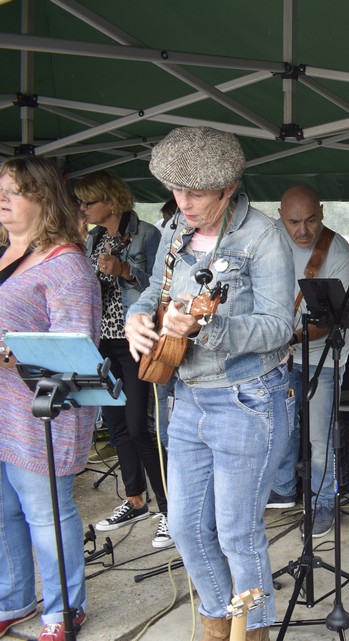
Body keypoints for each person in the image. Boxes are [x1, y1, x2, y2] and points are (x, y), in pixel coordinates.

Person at [125, 126, 294, 641]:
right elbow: (154, 289)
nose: (184, 203)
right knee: (185, 527)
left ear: (229, 188)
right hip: (186, 398)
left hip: (246, 399)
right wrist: (137, 316)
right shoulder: (175, 228)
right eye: (177, 190)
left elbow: (278, 326)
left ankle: (253, 631)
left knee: (238, 533)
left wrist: (207, 329)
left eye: (196, 193)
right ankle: (219, 624)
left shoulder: (263, 236)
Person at [0, 156, 101, 640]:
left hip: (42, 415)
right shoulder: (5, 254)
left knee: (47, 517)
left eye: (14, 191)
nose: (2, 199)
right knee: (3, 514)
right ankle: (13, 599)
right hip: (3, 412)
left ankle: (64, 611)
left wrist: (9, 354)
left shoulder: (67, 266)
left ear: (43, 198)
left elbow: (74, 352)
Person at [76, 170, 171, 548]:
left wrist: (125, 270)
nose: (83, 208)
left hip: (134, 342)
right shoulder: (93, 238)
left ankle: (169, 510)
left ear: (111, 201)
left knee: (138, 428)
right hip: (101, 342)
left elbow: (161, 287)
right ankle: (135, 500)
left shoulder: (147, 234)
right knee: (116, 428)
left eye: (88, 202)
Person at [267, 185, 349, 540]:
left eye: (311, 220)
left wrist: (288, 337)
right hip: (282, 355)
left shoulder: (339, 253)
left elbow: (330, 321)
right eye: (294, 222)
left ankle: (322, 504)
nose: (303, 230)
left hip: (325, 358)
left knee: (320, 438)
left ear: (322, 212)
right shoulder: (269, 238)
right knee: (281, 427)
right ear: (280, 217)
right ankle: (283, 489)